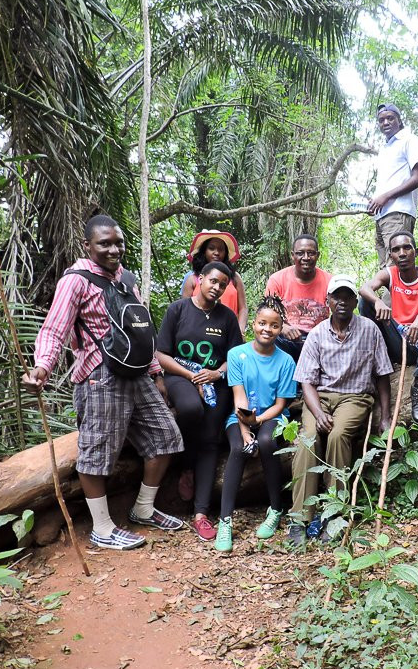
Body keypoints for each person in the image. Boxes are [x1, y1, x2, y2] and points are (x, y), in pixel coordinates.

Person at [22, 215, 184, 551]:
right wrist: (42, 368)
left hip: (137, 373)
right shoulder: (76, 280)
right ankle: (103, 528)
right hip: (99, 376)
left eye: (118, 242)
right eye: (105, 243)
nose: (114, 249)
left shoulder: (127, 278)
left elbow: (141, 330)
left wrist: (156, 372)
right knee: (97, 452)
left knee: (166, 437)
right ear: (88, 245)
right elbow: (55, 328)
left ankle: (143, 509)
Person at [289, 275, 393, 546]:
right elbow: (306, 381)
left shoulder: (370, 329)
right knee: (308, 439)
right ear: (328, 302)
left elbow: (382, 374)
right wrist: (319, 413)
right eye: (337, 297)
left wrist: (386, 415)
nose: (342, 302)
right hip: (319, 398)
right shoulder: (317, 333)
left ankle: (334, 514)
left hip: (355, 397)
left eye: (347, 296)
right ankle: (300, 518)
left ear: (355, 301)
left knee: (337, 435)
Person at [155, 261, 243, 542]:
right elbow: (161, 354)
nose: (217, 288)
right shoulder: (177, 310)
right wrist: (191, 374)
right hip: (181, 377)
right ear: (200, 279)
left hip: (215, 382)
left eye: (222, 285)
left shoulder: (227, 318)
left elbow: (235, 357)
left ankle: (201, 514)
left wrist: (216, 372)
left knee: (210, 437)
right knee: (191, 409)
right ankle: (186, 464)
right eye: (213, 281)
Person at [214, 296, 298, 552]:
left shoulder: (286, 361)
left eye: (274, 325)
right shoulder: (237, 355)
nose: (267, 330)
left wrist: (258, 422)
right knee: (239, 447)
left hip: (271, 416)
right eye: (263, 323)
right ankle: (224, 520)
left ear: (280, 328)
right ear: (254, 324)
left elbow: (281, 404)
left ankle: (275, 508)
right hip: (240, 417)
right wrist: (245, 429)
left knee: (267, 441)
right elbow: (239, 397)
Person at [359, 232, 418, 424]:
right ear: (391, 255)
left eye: (407, 248)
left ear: (416, 251)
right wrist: (377, 302)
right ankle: (377, 358)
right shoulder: (389, 274)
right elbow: (364, 288)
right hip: (400, 343)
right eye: (396, 250)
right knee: (364, 303)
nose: (402, 253)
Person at [369, 103, 418, 265]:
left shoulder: (409, 140)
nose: (385, 123)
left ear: (399, 121)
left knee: (395, 265)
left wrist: (385, 197)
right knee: (385, 268)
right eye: (381, 120)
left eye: (390, 118)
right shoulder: (385, 148)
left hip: (398, 212)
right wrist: (375, 202)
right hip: (382, 215)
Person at [265, 234, 332, 360]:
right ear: (292, 255)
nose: (306, 258)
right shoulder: (277, 279)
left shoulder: (330, 281)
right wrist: (282, 327)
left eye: (311, 253)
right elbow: (267, 315)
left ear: (317, 255)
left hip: (319, 341)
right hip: (286, 340)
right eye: (300, 253)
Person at [181, 230, 248, 333]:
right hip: (198, 332)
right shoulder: (192, 278)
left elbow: (243, 307)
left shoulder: (234, 278)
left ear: (225, 253)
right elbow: (184, 309)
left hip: (230, 332)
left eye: (221, 249)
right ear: (204, 251)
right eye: (211, 248)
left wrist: (240, 330)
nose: (216, 253)